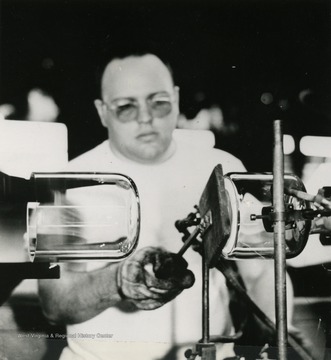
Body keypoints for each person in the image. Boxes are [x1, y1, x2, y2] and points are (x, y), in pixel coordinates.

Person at [38, 50, 292, 360]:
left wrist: (272, 346)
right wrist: (117, 281)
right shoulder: (67, 183)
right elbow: (54, 303)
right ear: (102, 111)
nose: (146, 117)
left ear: (175, 97)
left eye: (158, 102)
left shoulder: (223, 171)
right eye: (126, 107)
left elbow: (263, 275)